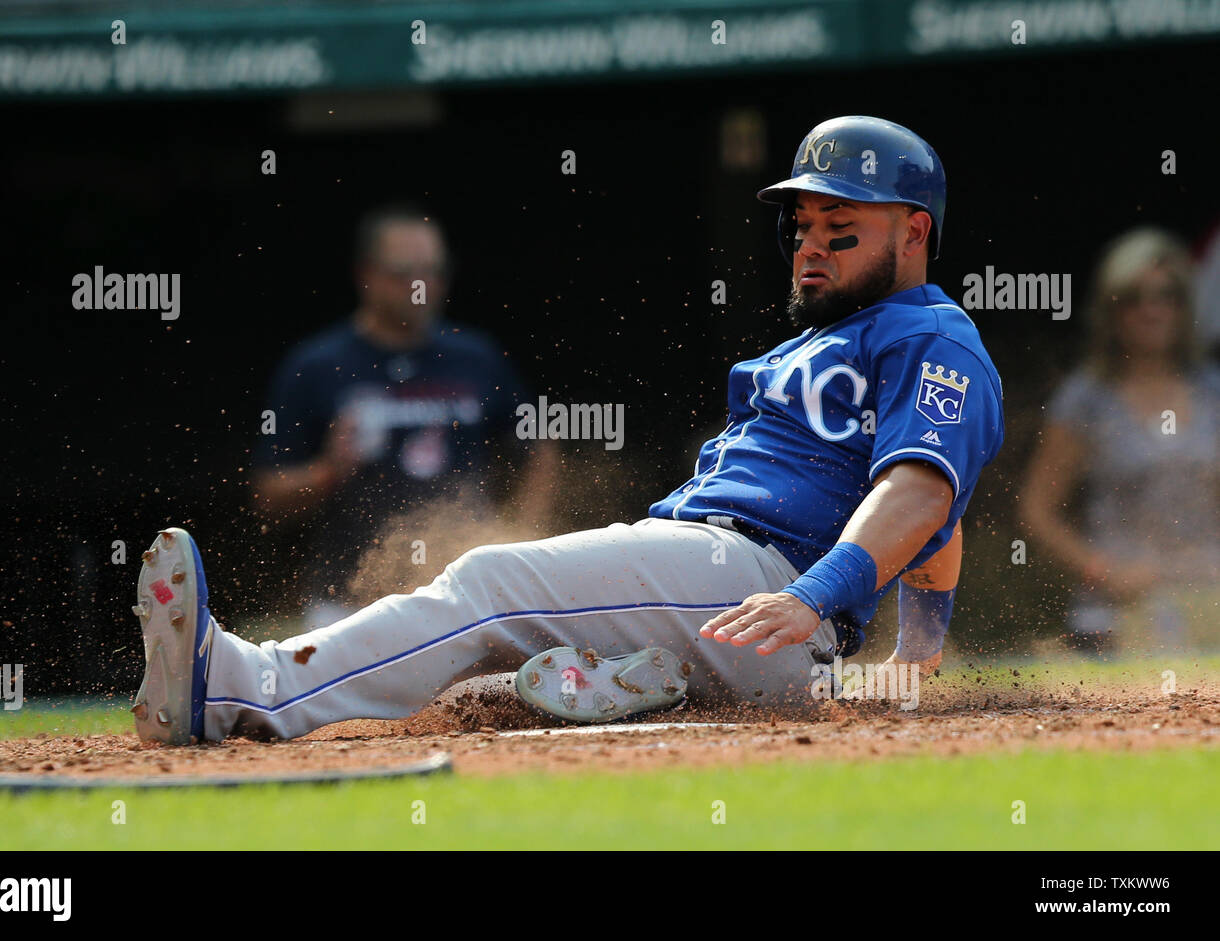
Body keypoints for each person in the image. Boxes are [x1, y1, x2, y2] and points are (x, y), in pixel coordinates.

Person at [130, 116, 1004, 745]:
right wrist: (912, 660)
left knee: (491, 583)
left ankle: (249, 687)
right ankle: (629, 692)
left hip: (756, 585)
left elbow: (922, 490)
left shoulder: (928, 333)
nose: (812, 245)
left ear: (916, 231)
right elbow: (932, 514)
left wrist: (818, 600)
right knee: (484, 680)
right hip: (737, 604)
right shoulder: (821, 341)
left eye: (840, 228)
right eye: (801, 226)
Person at [253, 207, 554, 624]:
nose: (421, 286)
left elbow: (538, 450)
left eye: (434, 272)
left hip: (466, 597)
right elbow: (268, 497)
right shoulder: (316, 365)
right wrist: (327, 471)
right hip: (349, 602)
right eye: (403, 272)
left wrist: (521, 535)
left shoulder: (477, 357)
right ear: (366, 274)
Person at [1020, 228, 1220, 655]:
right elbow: (1037, 511)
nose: (1152, 311)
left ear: (1186, 306)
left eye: (1167, 296)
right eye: (1134, 298)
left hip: (1208, 598)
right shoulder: (1086, 399)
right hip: (1113, 614)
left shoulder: (1213, 392)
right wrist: (1102, 570)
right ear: (1111, 309)